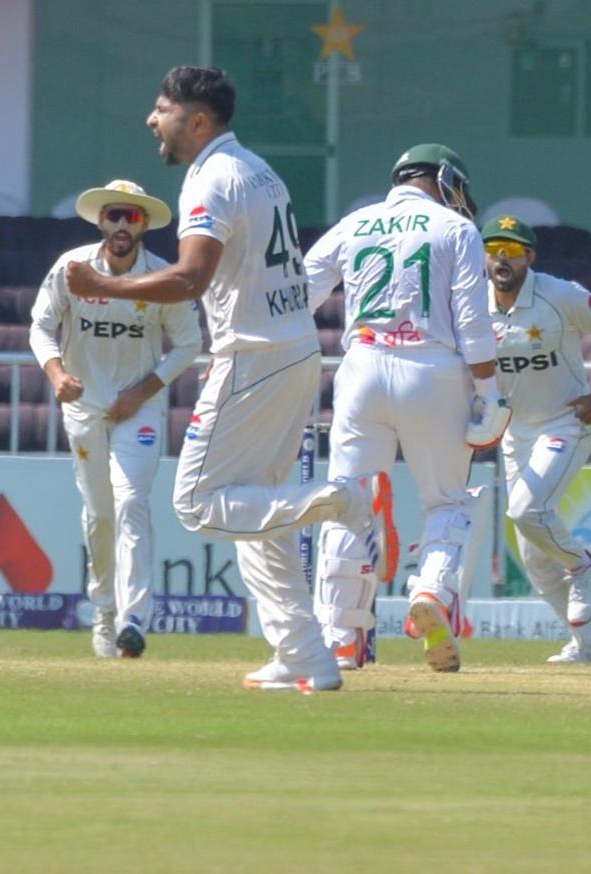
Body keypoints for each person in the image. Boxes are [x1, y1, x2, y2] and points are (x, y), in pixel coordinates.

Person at [64, 65, 397, 693]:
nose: (150, 120)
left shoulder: (212, 178)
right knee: (255, 513)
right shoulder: (256, 168)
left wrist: (103, 285)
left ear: (196, 120)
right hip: (292, 350)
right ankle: (306, 656)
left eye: (161, 109)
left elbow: (191, 279)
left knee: (196, 501)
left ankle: (341, 501)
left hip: (253, 356)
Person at [304, 143, 507, 674]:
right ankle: (433, 594)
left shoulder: (355, 223)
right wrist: (489, 392)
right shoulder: (456, 229)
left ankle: (340, 636)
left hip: (362, 366)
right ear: (442, 178)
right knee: (447, 501)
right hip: (432, 371)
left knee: (349, 500)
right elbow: (473, 322)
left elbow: (300, 292)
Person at [29, 179, 202, 658]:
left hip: (138, 410)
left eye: (132, 216)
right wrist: (58, 373)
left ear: (144, 223)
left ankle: (134, 620)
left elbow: (189, 344)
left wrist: (143, 391)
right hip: (83, 407)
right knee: (100, 514)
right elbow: (41, 326)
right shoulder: (72, 268)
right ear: (101, 220)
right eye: (114, 215)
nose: (122, 224)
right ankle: (103, 611)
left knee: (131, 503)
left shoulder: (161, 276)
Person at [482, 214, 591, 664]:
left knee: (527, 510)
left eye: (512, 249)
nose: (502, 257)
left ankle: (585, 565)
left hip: (566, 424)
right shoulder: (471, 302)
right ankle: (589, 646)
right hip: (516, 433)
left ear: (530, 256)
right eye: (494, 249)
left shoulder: (559, 294)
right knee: (532, 554)